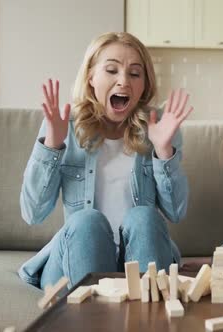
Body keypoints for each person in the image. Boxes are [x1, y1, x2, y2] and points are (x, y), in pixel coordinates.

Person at [18, 32, 193, 289]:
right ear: (91, 77)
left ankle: (147, 319)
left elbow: (176, 213)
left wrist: (163, 150)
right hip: (76, 259)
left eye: (135, 74)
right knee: (87, 220)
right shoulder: (63, 126)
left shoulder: (158, 128)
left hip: (137, 262)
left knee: (144, 217)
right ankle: (92, 318)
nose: (123, 81)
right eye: (111, 70)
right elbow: (32, 213)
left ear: (144, 84)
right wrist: (52, 146)